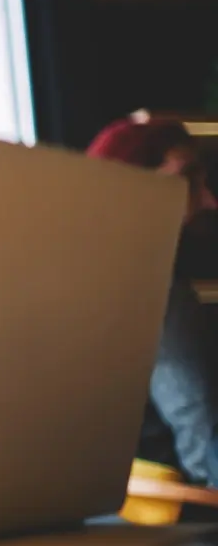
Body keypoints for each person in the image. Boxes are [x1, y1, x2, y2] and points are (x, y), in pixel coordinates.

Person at [85, 117, 218, 488]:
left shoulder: (75, 282)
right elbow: (202, 434)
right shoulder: (150, 285)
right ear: (130, 188)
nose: (208, 201)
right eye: (187, 180)